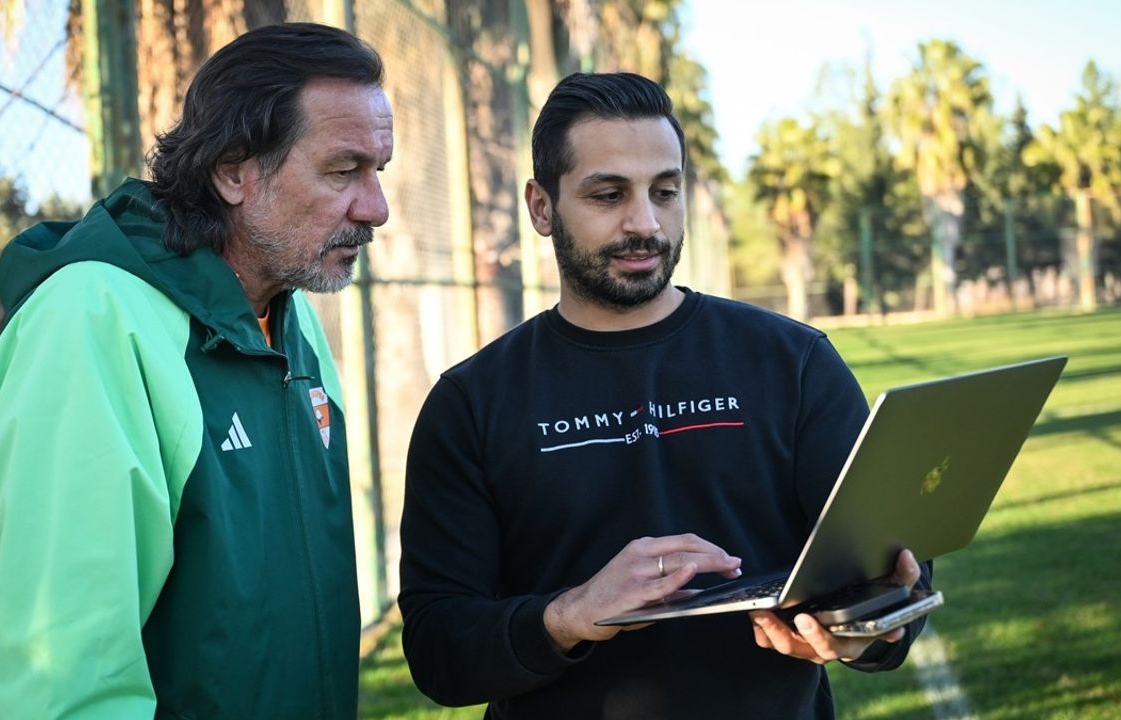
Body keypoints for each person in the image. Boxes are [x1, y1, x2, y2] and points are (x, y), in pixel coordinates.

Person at [398, 72, 932, 719]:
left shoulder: (793, 361)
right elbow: (438, 651)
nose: (645, 222)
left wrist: (865, 628)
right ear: (541, 206)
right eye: (608, 194)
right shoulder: (471, 403)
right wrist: (572, 615)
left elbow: (896, 574)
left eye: (665, 191)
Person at [0, 23, 392, 719]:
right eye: (344, 171)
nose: (376, 208)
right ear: (233, 171)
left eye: (380, 171)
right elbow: (65, 683)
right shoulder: (89, 321)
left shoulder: (291, 310)